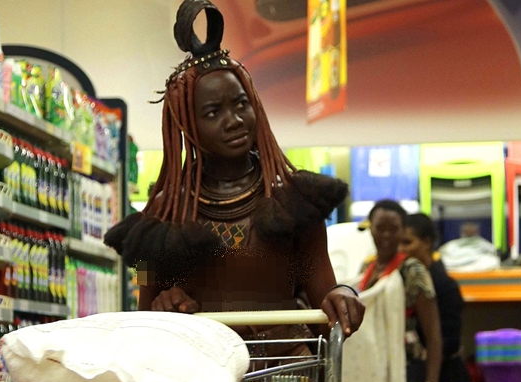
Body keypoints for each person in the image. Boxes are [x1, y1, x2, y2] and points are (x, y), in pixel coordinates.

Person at [104, 0, 364, 340]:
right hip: (201, 376)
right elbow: (144, 292)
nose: (235, 121)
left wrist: (345, 294)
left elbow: (324, 293)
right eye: (213, 112)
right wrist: (164, 305)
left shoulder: (297, 203)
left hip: (284, 374)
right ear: (188, 125)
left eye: (241, 104)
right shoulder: (163, 216)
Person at [348, 199, 442, 382]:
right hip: (370, 378)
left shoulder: (413, 271)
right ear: (370, 229)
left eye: (394, 228)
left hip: (406, 376)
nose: (386, 235)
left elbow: (434, 336)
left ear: (403, 231)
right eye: (380, 227)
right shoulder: (365, 271)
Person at [400, 212, 472, 382]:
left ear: (427, 242)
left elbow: (449, 342)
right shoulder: (404, 281)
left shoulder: (444, 286)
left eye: (407, 242)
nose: (401, 250)